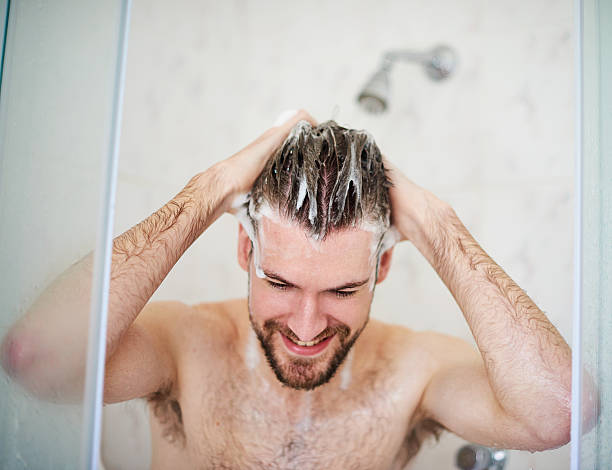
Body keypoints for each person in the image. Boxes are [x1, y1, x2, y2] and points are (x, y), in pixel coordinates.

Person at [2, 110, 572, 469]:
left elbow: (556, 415)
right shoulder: (186, 345)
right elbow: (35, 361)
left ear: (383, 268)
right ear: (247, 253)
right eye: (280, 283)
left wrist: (436, 223)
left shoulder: (413, 370)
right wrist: (210, 190)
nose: (305, 326)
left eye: (342, 291)